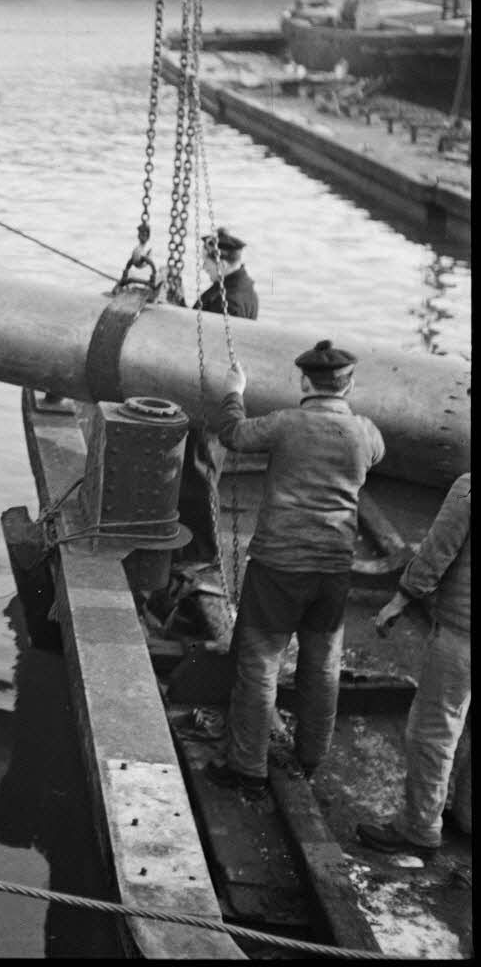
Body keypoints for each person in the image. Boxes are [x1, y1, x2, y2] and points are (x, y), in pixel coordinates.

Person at [206, 340, 385, 798]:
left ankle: (248, 766)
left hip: (280, 566)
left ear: (304, 381)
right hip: (333, 571)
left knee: (260, 663)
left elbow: (232, 433)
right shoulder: (366, 432)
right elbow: (376, 457)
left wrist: (234, 390)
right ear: (350, 385)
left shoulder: (286, 424)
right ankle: (309, 758)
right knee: (323, 664)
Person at [357, 472, 470, 857]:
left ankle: (418, 828)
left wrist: (401, 599)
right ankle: (468, 816)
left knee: (433, 731)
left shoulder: (469, 487)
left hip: (462, 634)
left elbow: (437, 551)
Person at [177, 228, 259, 562]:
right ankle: (196, 547)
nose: (205, 269)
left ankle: (203, 552)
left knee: (200, 474)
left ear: (222, 261)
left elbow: (212, 347)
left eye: (208, 263)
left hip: (211, 399)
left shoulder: (233, 301)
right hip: (211, 395)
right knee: (199, 473)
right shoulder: (235, 288)